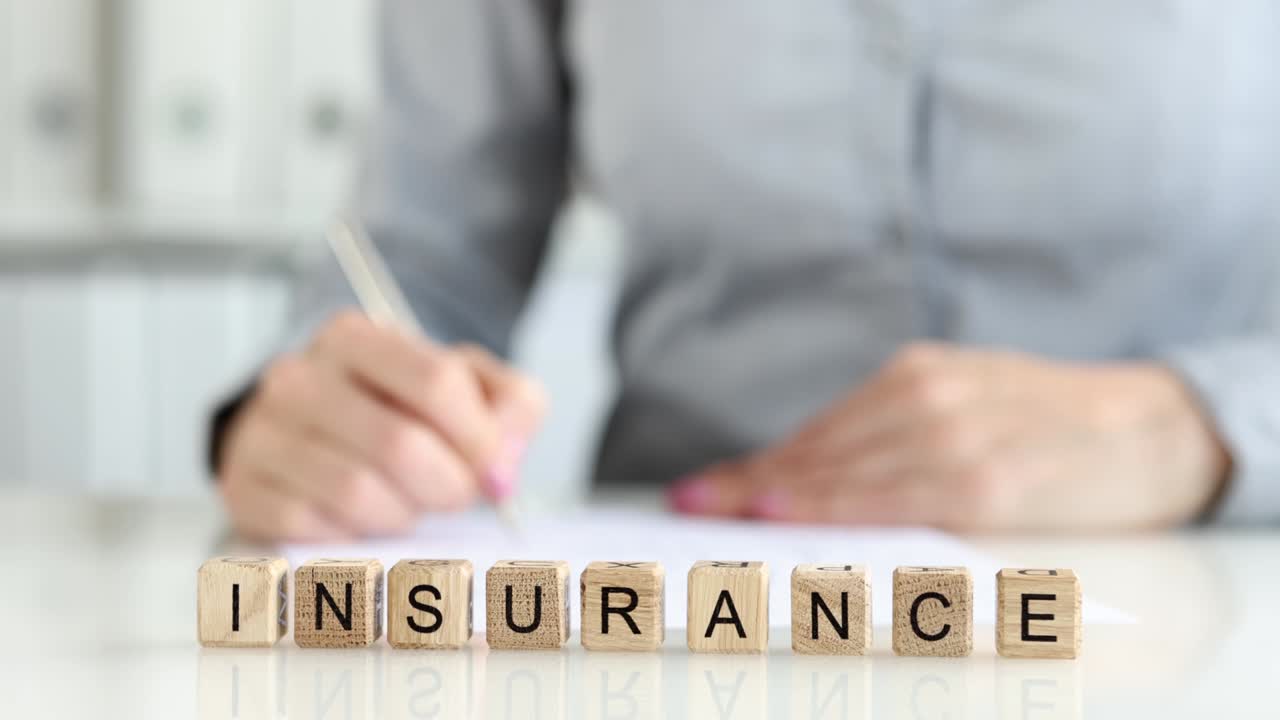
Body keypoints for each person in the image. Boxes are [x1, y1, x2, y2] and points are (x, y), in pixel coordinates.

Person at [210, 1, 1279, 540]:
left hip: (1194, 596)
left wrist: (1198, 428)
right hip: (694, 615)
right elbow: (422, 256)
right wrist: (334, 409)